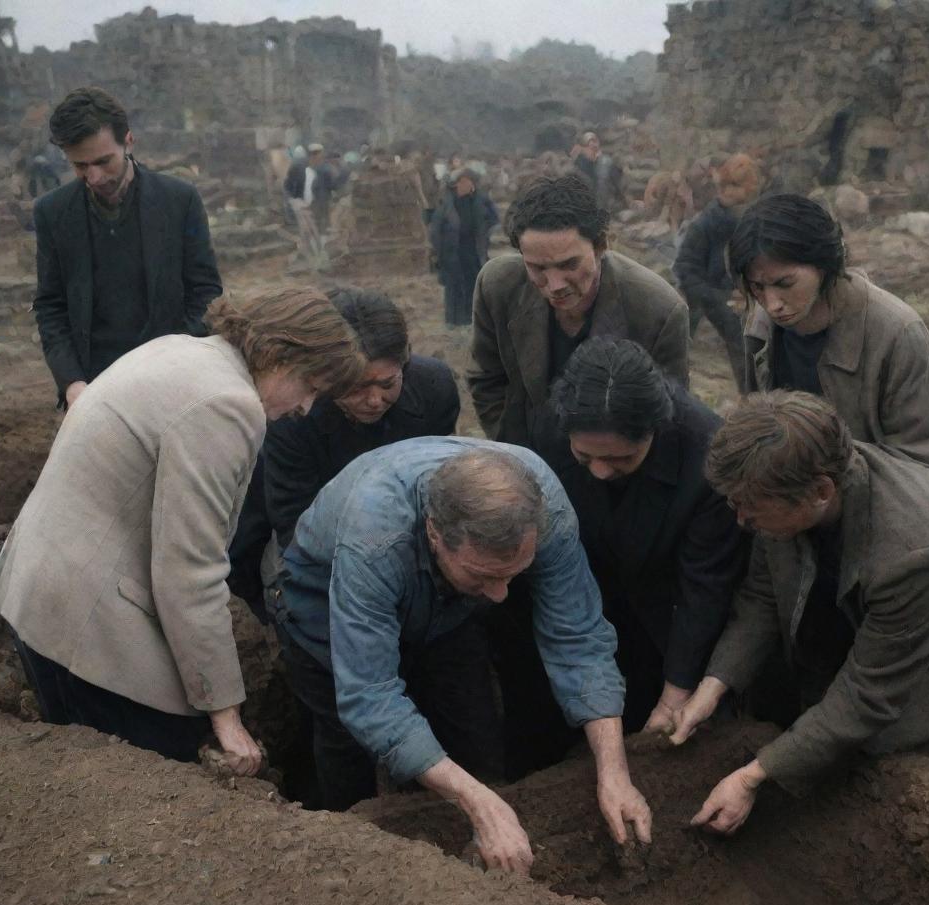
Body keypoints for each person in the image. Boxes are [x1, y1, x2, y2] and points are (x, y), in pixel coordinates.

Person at [0, 289, 365, 775]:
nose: (307, 408)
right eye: (311, 386)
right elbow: (189, 571)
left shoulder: (182, 350)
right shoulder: (228, 404)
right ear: (282, 354)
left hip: (42, 592)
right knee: (154, 779)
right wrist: (226, 715)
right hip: (88, 624)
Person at [276, 439, 653, 873]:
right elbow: (370, 695)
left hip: (447, 612)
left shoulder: (543, 507)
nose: (501, 595)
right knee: (348, 750)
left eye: (514, 574)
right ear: (435, 534)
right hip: (322, 603)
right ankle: (352, 868)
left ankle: (484, 845)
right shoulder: (374, 535)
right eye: (486, 576)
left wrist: (614, 772)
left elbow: (579, 635)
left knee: (473, 728)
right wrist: (477, 805)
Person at [668, 391, 929, 835]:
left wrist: (753, 775)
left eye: (751, 509)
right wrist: (713, 687)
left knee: (900, 768)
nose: (741, 520)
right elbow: (763, 597)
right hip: (877, 614)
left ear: (821, 492)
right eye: (734, 504)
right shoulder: (780, 484)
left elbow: (870, 692)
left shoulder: (915, 553)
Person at [497, 339, 745, 776]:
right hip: (573, 592)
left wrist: (676, 692)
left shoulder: (706, 453)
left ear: (654, 431)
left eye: (620, 458)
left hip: (662, 605)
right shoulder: (547, 426)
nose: (598, 471)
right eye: (584, 456)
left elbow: (704, 586)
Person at [226, 286, 460, 615]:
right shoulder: (293, 413)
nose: (374, 400)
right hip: (313, 531)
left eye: (388, 383)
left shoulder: (433, 388)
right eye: (355, 386)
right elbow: (294, 521)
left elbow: (442, 484)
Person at [729, 192, 929, 476]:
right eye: (758, 288)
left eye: (785, 283)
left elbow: (924, 460)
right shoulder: (761, 325)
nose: (772, 304)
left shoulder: (897, 333)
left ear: (824, 265)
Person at [468, 173, 690, 449]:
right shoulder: (497, 286)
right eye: (537, 268)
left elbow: (667, 415)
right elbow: (487, 381)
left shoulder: (658, 310)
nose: (555, 285)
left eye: (569, 265)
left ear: (601, 245)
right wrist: (518, 451)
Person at [33, 86, 222, 408]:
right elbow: (51, 306)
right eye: (80, 166)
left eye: (103, 161)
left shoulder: (179, 201)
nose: (93, 177)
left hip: (172, 380)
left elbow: (205, 293)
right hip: (93, 389)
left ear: (128, 141)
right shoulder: (52, 212)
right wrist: (72, 383)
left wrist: (177, 357)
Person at [673, 153, 761, 391]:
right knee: (738, 337)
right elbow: (685, 268)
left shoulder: (753, 217)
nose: (730, 192)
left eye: (737, 186)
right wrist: (720, 297)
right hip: (708, 292)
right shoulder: (706, 224)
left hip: (745, 292)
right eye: (727, 185)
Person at [429, 168, 499, 328]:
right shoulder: (447, 203)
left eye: (468, 182)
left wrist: (485, 233)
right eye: (462, 182)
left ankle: (470, 318)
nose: (465, 185)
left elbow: (493, 219)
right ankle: (452, 319)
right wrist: (438, 249)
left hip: (473, 249)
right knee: (453, 286)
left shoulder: (480, 201)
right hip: (451, 251)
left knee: (472, 283)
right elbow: (436, 228)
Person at [572, 132, 625, 214]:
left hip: (602, 197)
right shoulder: (578, 160)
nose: (592, 145)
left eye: (594, 142)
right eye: (589, 144)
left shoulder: (604, 161)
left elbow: (615, 178)